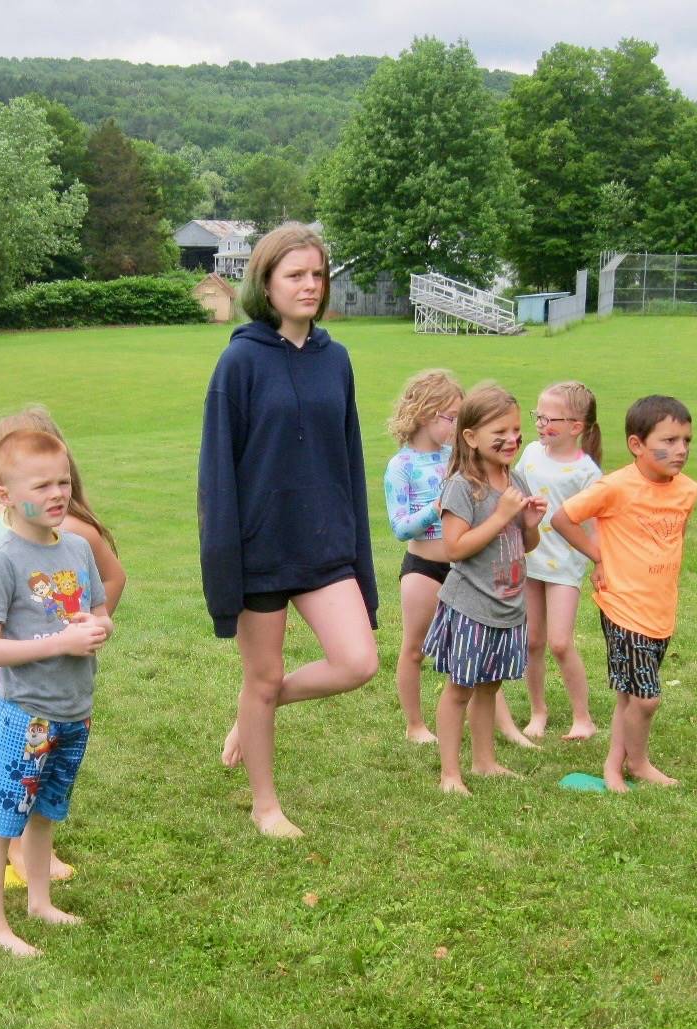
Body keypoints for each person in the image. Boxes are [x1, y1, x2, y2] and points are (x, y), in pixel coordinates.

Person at [198, 221, 379, 838]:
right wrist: (223, 561)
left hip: (324, 545)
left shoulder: (338, 359)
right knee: (263, 675)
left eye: (317, 274)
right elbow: (218, 472)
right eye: (294, 275)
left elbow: (348, 457)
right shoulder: (240, 361)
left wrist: (356, 547)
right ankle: (265, 805)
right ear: (266, 284)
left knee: (357, 663)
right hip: (260, 549)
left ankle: (257, 709)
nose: (309, 285)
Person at [0, 407, 125, 889]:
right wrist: (60, 640)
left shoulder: (74, 546)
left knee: (46, 808)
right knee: (6, 813)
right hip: (26, 708)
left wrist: (95, 628)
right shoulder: (1, 555)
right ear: (2, 489)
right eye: (41, 484)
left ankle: (39, 900)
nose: (56, 493)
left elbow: (96, 611)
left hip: (73, 705)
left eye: (62, 482)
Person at [551, 394, 697, 793]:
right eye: (667, 441)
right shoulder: (614, 487)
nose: (680, 450)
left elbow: (675, 539)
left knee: (631, 694)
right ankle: (638, 762)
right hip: (622, 608)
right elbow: (563, 518)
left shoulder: (687, 490)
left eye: (686, 440)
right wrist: (598, 555)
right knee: (647, 699)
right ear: (636, 445)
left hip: (660, 609)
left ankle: (616, 767)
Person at [382, 372, 533, 747]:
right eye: (450, 417)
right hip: (423, 567)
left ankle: (505, 726)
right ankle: (415, 724)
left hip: (467, 567)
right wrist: (437, 508)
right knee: (414, 648)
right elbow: (401, 528)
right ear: (424, 414)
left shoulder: (458, 458)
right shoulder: (400, 466)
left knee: (480, 652)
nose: (456, 425)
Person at [423, 383, 547, 795]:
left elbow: (525, 547)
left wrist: (529, 525)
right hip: (471, 606)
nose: (512, 439)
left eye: (516, 430)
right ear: (471, 438)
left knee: (489, 687)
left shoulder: (516, 480)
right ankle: (450, 774)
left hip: (508, 605)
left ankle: (485, 763)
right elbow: (454, 548)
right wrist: (502, 515)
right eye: (501, 432)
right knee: (460, 689)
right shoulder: (462, 486)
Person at [515, 382, 604, 741]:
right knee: (532, 641)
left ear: (576, 427)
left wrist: (600, 563)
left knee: (560, 643)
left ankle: (582, 718)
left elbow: (597, 527)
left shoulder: (588, 473)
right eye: (537, 415)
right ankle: (538, 711)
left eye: (548, 418)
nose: (539, 423)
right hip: (529, 559)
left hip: (565, 569)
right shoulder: (532, 454)